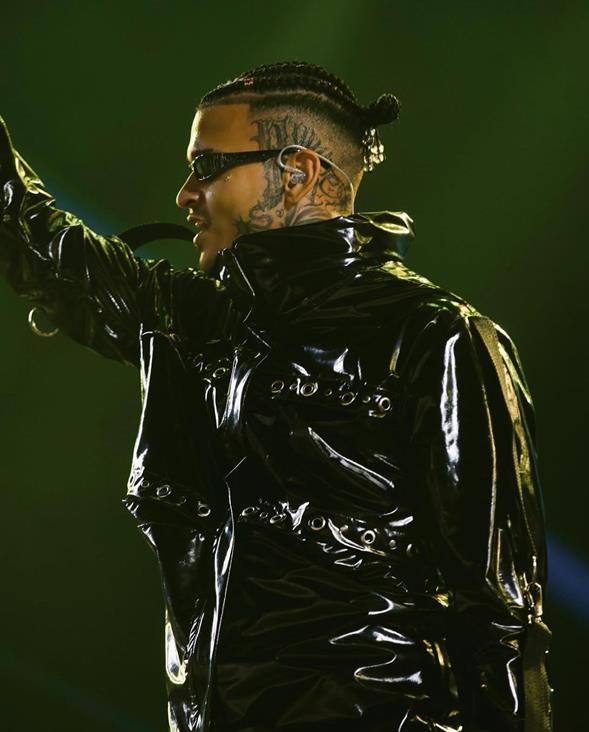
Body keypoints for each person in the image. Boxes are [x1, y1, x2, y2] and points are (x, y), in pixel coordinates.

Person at [0, 61, 552, 731]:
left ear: (296, 172)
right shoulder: (197, 322)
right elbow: (40, 241)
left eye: (207, 166)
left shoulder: (438, 336)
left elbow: (502, 614)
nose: (185, 193)